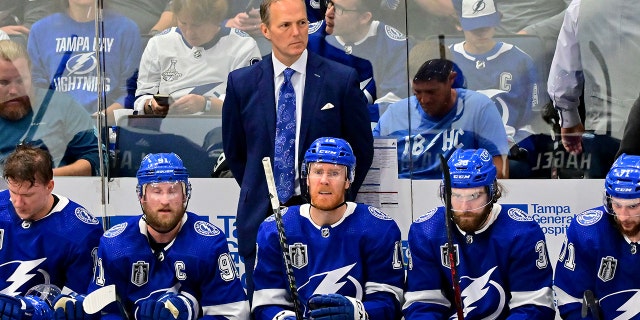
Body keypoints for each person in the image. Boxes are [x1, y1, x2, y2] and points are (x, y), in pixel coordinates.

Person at [222, 0, 373, 297]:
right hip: (261, 220)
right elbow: (237, 153)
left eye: (302, 23)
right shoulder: (242, 83)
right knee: (267, 309)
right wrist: (264, 191)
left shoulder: (340, 79)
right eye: (285, 25)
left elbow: (360, 152)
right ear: (265, 30)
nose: (297, 32)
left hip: (327, 220)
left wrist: (333, 198)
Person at [75, 153, 250, 319]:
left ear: (185, 194)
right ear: (141, 196)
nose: (165, 200)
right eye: (156, 191)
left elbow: (232, 314)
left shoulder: (209, 243)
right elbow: (102, 313)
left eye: (173, 190)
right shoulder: (114, 244)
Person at [252, 137, 404, 319]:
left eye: (334, 173)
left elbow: (390, 301)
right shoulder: (275, 229)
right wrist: (283, 317)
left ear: (349, 179)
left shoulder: (377, 228)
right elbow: (265, 304)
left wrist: (359, 313)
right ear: (306, 178)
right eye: (317, 171)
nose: (324, 180)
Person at [403, 148, 555, 318]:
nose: (464, 207)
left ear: (493, 192)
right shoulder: (426, 231)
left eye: (475, 196)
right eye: (456, 195)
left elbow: (532, 306)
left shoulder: (521, 233)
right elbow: (423, 303)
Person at [0, 144, 103, 319]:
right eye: (13, 192)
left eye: (27, 195)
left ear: (49, 186)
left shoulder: (80, 231)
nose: (17, 202)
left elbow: (81, 303)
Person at [547, 0, 640, 178]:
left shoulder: (581, 6)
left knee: (608, 202)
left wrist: (569, 119)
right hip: (604, 130)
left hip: (604, 129)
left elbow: (564, 71)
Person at [373, 58, 509, 179]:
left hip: (460, 194)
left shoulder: (479, 107)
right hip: (404, 197)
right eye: (417, 92)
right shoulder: (394, 115)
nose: (424, 100)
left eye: (432, 92)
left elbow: (500, 172)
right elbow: (372, 169)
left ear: (451, 79)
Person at [449, 0, 539, 178]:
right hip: (458, 146)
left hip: (508, 148)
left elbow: (534, 119)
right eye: (475, 28)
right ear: (458, 23)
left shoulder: (521, 60)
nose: (482, 33)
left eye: (487, 26)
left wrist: (518, 144)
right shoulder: (447, 59)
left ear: (499, 19)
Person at [135, 0, 261, 116]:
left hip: (220, 131)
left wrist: (206, 104)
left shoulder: (243, 46)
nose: (189, 32)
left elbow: (249, 103)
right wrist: (153, 105)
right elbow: (142, 97)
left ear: (216, 19)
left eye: (197, 25)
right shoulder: (158, 43)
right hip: (166, 128)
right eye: (183, 23)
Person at [553, 153, 640, 319]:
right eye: (617, 204)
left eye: (633, 206)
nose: (623, 216)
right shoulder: (586, 231)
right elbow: (570, 299)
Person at [27, 0, 142, 124]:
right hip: (56, 127)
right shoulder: (40, 30)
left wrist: (99, 119)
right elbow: (36, 88)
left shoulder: (126, 29)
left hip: (106, 128)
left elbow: (131, 91)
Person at [0, 39, 102, 176]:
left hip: (54, 189)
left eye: (21, 80)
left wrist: (46, 177)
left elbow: (99, 158)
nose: (13, 90)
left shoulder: (62, 106)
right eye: (3, 82)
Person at [314, 0, 411, 121]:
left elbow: (393, 108)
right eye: (330, 3)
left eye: (339, 9)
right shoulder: (308, 40)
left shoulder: (396, 47)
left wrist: (337, 116)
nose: (328, 13)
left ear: (365, 17)